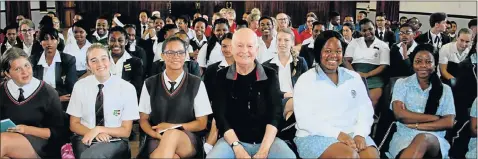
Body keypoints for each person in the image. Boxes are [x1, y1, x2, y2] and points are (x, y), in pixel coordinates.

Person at [206, 28, 296, 158]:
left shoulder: (270, 75)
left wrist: (264, 150)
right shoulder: (221, 76)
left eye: (249, 46)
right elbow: (221, 116)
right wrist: (237, 148)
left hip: (267, 140)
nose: (244, 51)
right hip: (232, 140)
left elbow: (275, 114)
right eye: (239, 46)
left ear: (256, 49)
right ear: (232, 48)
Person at [293, 30, 377, 158]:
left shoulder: (354, 77)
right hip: (315, 135)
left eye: (338, 51)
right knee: (349, 156)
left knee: (371, 157)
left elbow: (366, 109)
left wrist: (360, 133)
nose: (333, 55)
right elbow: (304, 120)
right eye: (327, 51)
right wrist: (338, 134)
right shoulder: (306, 80)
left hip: (353, 133)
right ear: (318, 52)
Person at [138, 36, 212, 158]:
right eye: (170, 53)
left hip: (188, 138)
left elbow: (202, 123)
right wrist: (154, 134)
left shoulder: (196, 83)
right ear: (162, 56)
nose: (176, 56)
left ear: (186, 55)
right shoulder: (150, 83)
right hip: (157, 137)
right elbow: (143, 119)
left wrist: (173, 127)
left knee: (171, 135)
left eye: (180, 52)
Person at [67, 44, 139, 159]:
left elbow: (126, 131)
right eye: (93, 60)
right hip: (84, 136)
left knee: (91, 156)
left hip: (115, 140)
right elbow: (74, 124)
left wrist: (99, 129)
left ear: (110, 61)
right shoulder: (80, 86)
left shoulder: (127, 88)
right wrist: (94, 133)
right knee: (88, 155)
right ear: (88, 65)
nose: (100, 64)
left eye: (103, 58)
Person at [386, 44, 455, 158]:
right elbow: (400, 114)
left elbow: (448, 122)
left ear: (435, 64)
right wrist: (435, 118)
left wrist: (416, 125)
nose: (423, 65)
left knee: (423, 138)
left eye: (428, 62)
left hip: (434, 139)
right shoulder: (402, 84)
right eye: (418, 61)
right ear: (413, 64)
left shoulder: (445, 90)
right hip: (404, 137)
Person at [0, 48, 67, 158]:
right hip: (9, 141)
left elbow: (58, 132)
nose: (25, 72)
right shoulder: (2, 90)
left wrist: (26, 129)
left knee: (4, 141)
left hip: (42, 145)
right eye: (18, 69)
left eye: (27, 65)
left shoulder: (48, 92)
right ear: (7, 73)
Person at [262, 28, 308, 156]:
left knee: (295, 108)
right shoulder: (267, 65)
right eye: (279, 40)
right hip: (276, 101)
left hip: (297, 101)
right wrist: (285, 95)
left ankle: (283, 135)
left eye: (286, 40)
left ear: (292, 42)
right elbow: (267, 90)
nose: (282, 43)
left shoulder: (300, 62)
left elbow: (307, 85)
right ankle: (288, 136)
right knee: (295, 105)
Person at [344, 18, 390, 108]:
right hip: (354, 74)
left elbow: (383, 66)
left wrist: (367, 74)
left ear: (375, 28)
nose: (368, 32)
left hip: (374, 76)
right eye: (364, 30)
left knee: (371, 100)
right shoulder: (355, 42)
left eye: (370, 29)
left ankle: (368, 120)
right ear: (360, 32)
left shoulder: (383, 45)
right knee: (350, 99)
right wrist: (355, 74)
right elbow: (346, 60)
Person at [30, 27, 78, 109]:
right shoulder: (33, 60)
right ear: (40, 42)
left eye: (53, 39)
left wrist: (56, 100)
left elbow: (71, 87)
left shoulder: (68, 60)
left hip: (62, 105)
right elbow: (31, 87)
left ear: (58, 41)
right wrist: (53, 100)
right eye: (45, 39)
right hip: (39, 103)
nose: (49, 43)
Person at [107, 26, 144, 98]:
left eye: (120, 40)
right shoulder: (102, 60)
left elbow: (136, 89)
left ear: (126, 42)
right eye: (112, 40)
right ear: (107, 41)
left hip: (125, 102)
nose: (116, 44)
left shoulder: (135, 62)